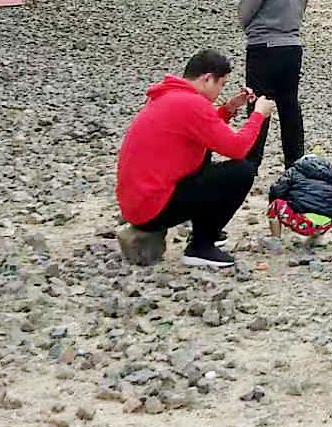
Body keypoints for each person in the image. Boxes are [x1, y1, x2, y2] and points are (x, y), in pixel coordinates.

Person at [114, 49, 274, 269]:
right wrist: (258, 115)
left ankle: (206, 231)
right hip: (152, 209)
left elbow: (203, 129)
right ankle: (201, 246)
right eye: (222, 84)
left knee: (205, 151)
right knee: (242, 171)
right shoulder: (191, 103)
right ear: (207, 78)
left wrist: (229, 108)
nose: (220, 90)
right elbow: (237, 148)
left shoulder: (172, 96)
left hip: (139, 203)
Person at [239, 0, 311, 169]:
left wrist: (252, 30)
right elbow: (302, 6)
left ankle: (251, 162)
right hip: (292, 46)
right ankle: (294, 161)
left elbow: (245, 13)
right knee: (290, 104)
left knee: (258, 104)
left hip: (263, 48)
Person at [266, 154, 332, 246]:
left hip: (301, 222)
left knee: (275, 204)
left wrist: (290, 203)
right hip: (324, 225)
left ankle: (276, 240)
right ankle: (314, 240)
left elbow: (276, 191)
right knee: (323, 209)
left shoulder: (294, 171)